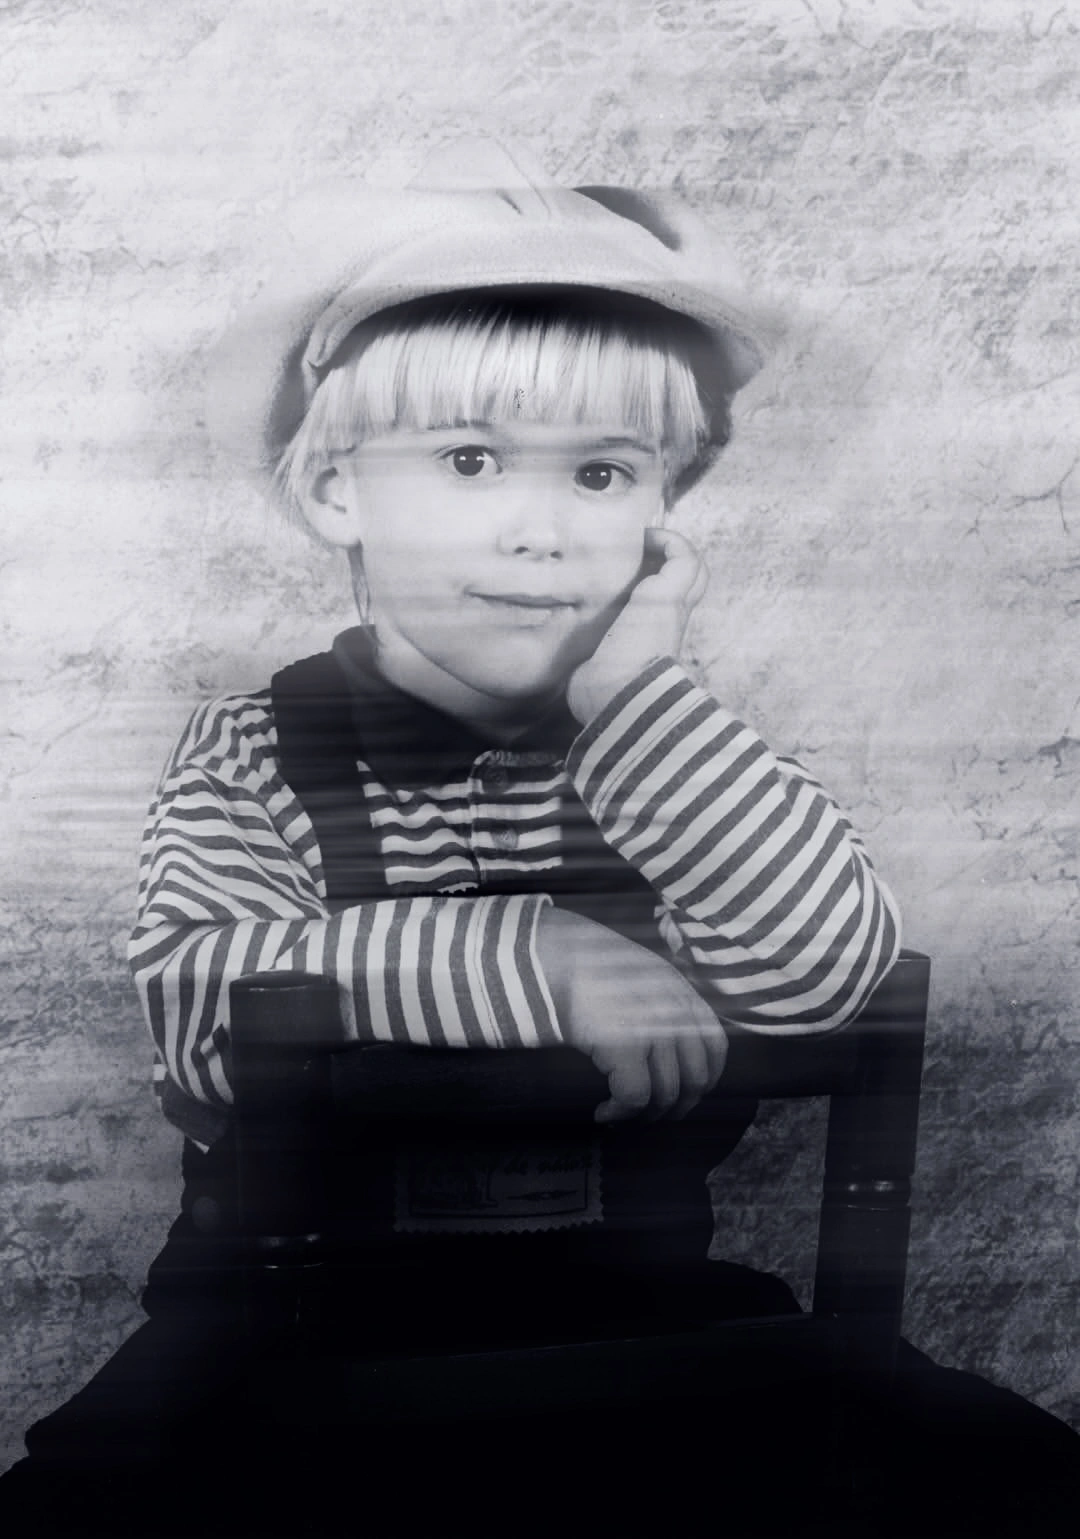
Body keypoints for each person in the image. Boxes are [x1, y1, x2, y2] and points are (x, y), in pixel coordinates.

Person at [2, 139, 1075, 1537]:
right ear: (334, 493)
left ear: (664, 520)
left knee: (1005, 1480)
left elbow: (824, 976)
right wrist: (534, 949)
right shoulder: (252, 751)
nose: (542, 530)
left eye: (604, 475)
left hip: (635, 1327)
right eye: (469, 459)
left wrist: (637, 699)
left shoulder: (690, 759)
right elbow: (201, 1002)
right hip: (292, 1329)